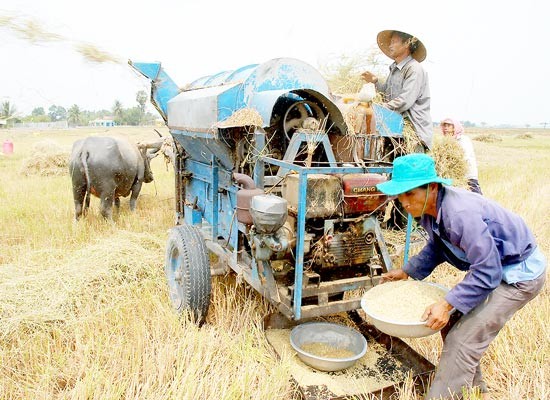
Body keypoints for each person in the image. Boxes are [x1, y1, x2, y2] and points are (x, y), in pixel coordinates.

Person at [376, 153, 546, 399]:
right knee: (454, 325)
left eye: (410, 194)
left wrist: (446, 304)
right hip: (494, 267)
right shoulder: (430, 210)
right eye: (400, 196)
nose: (404, 202)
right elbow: (438, 247)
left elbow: (488, 271)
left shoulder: (460, 215)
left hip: (519, 276)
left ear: (432, 187)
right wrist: (407, 271)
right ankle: (475, 391)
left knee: (461, 341)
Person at [362, 30, 433, 150]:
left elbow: (405, 101)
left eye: (394, 42)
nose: (390, 46)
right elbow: (387, 94)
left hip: (413, 132)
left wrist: (377, 108)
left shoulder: (414, 69)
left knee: (410, 167)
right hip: (394, 129)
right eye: (390, 43)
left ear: (407, 44)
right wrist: (375, 82)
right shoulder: (395, 69)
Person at [441, 118, 483, 194]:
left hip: (468, 176)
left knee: (476, 198)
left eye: (449, 125)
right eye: (444, 126)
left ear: (455, 127)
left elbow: (464, 157)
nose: (446, 128)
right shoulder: (445, 141)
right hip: (452, 178)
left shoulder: (463, 140)